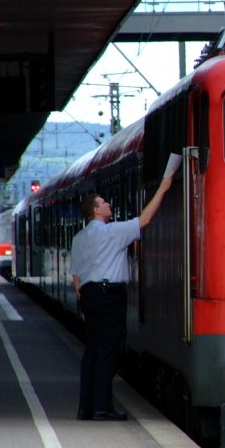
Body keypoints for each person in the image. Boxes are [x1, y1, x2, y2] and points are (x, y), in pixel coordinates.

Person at [70, 173, 176, 421]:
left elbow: (76, 276)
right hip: (109, 296)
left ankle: (85, 407)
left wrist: (85, 301)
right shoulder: (113, 232)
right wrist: (163, 187)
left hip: (89, 295)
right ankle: (102, 408)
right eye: (104, 202)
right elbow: (146, 218)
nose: (109, 205)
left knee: (92, 353)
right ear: (96, 210)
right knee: (108, 353)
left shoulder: (78, 238)